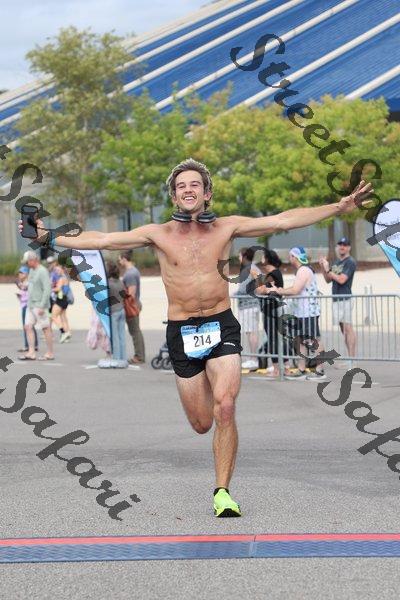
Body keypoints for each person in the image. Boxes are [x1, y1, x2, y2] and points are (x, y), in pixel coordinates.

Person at [21, 158, 372, 517]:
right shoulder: (157, 234)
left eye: (195, 185)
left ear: (207, 193)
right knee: (202, 423)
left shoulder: (227, 227)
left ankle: (222, 492)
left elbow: (283, 220)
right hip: (182, 330)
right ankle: (208, 424)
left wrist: (338, 207)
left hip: (221, 324)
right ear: (174, 196)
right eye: (181, 186)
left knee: (226, 406)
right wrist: (47, 236)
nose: (188, 190)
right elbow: (103, 239)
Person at [264, 246, 327, 381]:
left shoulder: (303, 270)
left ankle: (320, 370)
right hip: (303, 312)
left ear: (295, 257)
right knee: (301, 341)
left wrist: (278, 290)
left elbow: (295, 290)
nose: (289, 258)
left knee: (314, 340)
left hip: (309, 312)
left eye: (290, 255)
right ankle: (301, 369)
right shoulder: (303, 270)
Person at [253, 249, 290, 378]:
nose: (261, 259)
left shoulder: (274, 273)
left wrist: (257, 277)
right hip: (273, 310)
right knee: (277, 339)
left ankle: (277, 369)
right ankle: (285, 367)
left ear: (267, 259)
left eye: (263, 257)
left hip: (273, 311)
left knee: (273, 339)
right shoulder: (273, 273)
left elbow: (261, 290)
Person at [319, 237, 357, 364]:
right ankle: (350, 359)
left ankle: (352, 359)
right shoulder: (336, 262)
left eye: (345, 245)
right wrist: (323, 267)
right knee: (343, 329)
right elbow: (328, 279)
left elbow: (341, 279)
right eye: (340, 244)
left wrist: (328, 269)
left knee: (348, 328)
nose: (342, 247)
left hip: (345, 298)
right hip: (336, 299)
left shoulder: (350, 262)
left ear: (349, 247)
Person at [18, 250, 54, 361]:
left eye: (27, 262)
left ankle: (50, 353)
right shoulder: (32, 270)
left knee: (45, 328)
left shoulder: (42, 271)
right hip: (31, 304)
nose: (26, 264)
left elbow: (47, 289)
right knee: (28, 326)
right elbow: (32, 283)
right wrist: (25, 286)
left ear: (33, 260)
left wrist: (42, 306)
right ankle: (31, 352)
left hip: (39, 304)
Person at [234, 247, 261, 371]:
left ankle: (253, 359)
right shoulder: (251, 268)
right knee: (251, 332)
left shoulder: (249, 269)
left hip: (249, 305)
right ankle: (253, 358)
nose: (239, 258)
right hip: (250, 305)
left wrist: (235, 294)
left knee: (251, 333)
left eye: (240, 256)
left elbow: (244, 288)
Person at [118, 250, 145, 364]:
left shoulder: (130, 274)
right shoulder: (133, 271)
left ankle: (139, 356)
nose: (119, 262)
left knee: (135, 332)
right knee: (136, 331)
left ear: (124, 259)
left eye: (120, 259)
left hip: (131, 306)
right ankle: (140, 355)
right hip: (135, 304)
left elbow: (131, 294)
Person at [106, 260, 128, 368]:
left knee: (115, 337)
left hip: (114, 312)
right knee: (122, 336)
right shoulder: (121, 282)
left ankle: (117, 359)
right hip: (122, 310)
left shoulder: (108, 284)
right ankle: (123, 358)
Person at [15, 265, 38, 353]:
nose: (20, 275)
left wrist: (22, 289)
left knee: (27, 326)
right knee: (28, 326)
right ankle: (32, 345)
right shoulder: (24, 283)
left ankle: (28, 345)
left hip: (27, 305)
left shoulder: (28, 283)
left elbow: (29, 294)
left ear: (26, 274)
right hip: (24, 305)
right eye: (19, 273)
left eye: (22, 273)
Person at [51, 264, 72, 343]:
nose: (57, 272)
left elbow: (58, 289)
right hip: (64, 300)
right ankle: (68, 332)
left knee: (53, 316)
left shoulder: (61, 279)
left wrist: (50, 289)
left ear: (62, 270)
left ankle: (63, 332)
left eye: (58, 270)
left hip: (60, 300)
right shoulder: (66, 278)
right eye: (56, 270)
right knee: (63, 317)